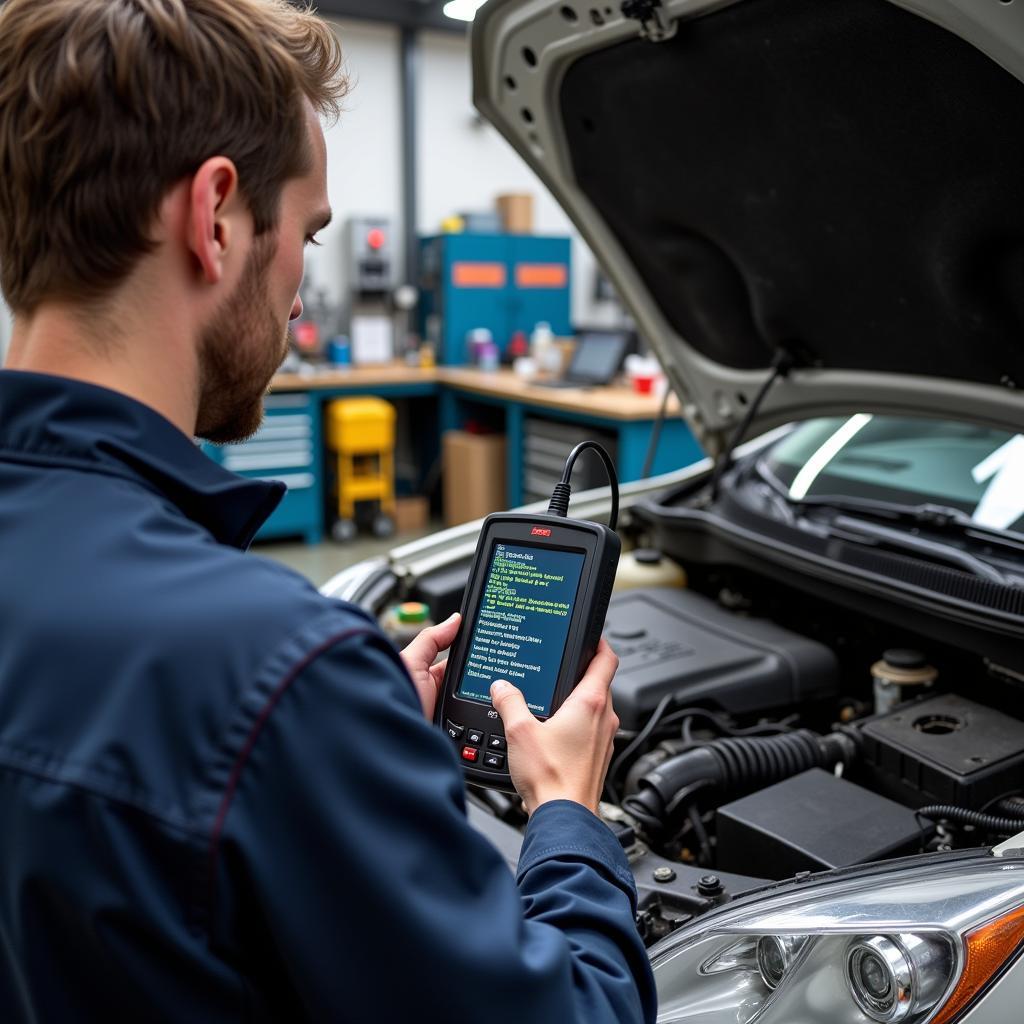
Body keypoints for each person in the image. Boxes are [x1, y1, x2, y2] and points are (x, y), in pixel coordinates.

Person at [0, 1, 657, 1021]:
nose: (302, 295)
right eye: (306, 232)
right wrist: (567, 813)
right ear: (215, 216)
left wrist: (342, 739)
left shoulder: (278, 688)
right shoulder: (274, 672)